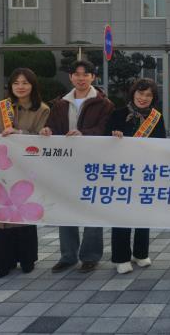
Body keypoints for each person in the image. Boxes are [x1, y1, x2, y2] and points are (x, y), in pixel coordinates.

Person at [40, 60, 114, 273]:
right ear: (70, 77)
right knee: (65, 208)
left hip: (93, 164)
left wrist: (84, 134)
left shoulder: (104, 104)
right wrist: (47, 131)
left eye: (86, 74)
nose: (81, 78)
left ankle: (90, 256)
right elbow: (53, 128)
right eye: (77, 74)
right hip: (66, 165)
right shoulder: (60, 104)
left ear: (93, 77)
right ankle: (68, 256)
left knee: (91, 209)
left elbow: (105, 129)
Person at [0, 68, 50, 278]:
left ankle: (27, 259)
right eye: (16, 83)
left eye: (25, 83)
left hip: (25, 169)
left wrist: (19, 133)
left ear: (33, 85)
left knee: (23, 214)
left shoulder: (42, 109)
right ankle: (2, 263)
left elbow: (41, 138)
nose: (20, 87)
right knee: (0, 217)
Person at [106, 78, 165, 274]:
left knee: (142, 214)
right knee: (121, 215)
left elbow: (162, 143)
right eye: (140, 93)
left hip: (144, 171)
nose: (143, 98)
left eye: (148, 95)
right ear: (133, 94)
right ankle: (121, 257)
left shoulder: (157, 117)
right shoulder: (118, 114)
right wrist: (113, 136)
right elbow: (103, 139)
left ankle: (140, 253)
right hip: (121, 172)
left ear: (153, 98)